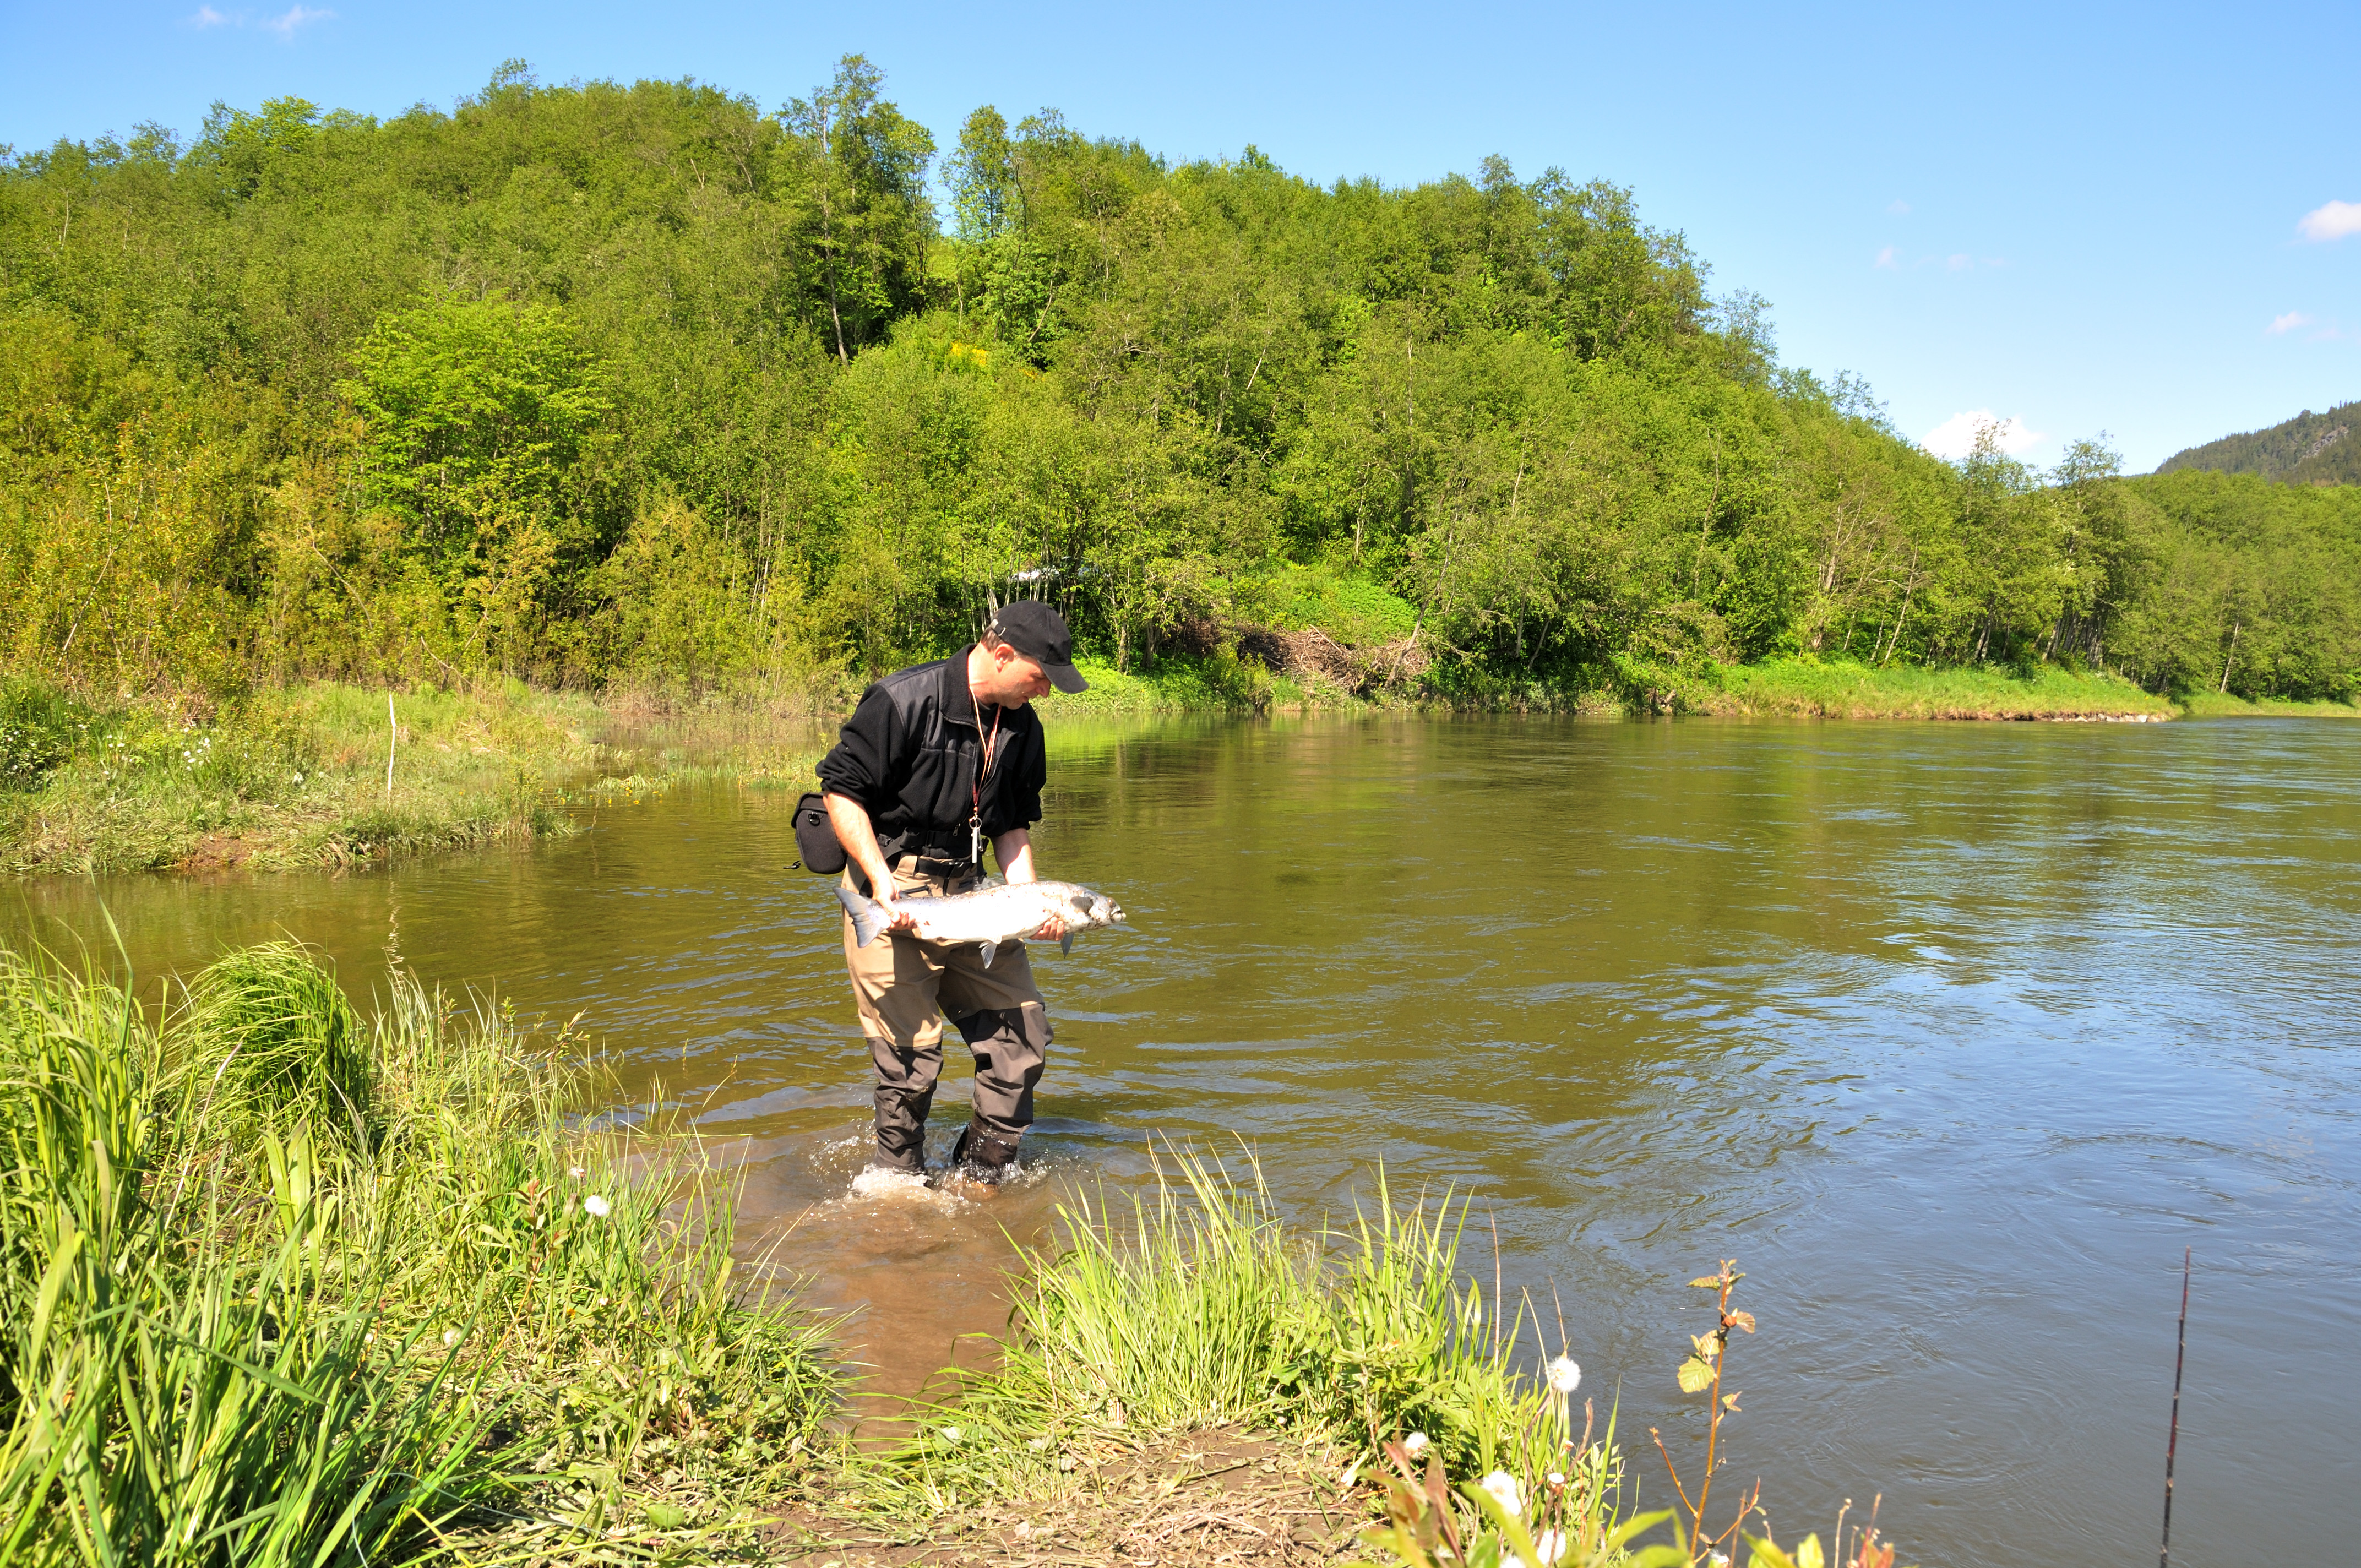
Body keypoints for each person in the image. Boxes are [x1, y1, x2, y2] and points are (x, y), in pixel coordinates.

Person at [814, 601, 1090, 1186]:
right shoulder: (902, 700)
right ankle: (899, 1186)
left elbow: (1011, 827)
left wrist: (1032, 904)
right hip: (891, 885)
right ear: (1002, 654)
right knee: (909, 1061)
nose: (1044, 691)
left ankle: (980, 1180)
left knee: (1023, 1039)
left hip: (975, 894)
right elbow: (841, 792)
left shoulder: (1024, 729)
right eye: (1040, 677)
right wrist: (880, 881)